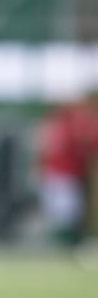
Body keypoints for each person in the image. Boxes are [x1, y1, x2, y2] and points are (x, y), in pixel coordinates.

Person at [38, 91, 98, 247]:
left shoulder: (79, 122)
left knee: (70, 211)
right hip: (57, 173)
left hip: (70, 174)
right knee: (60, 212)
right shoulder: (56, 123)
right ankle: (63, 244)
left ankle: (70, 243)